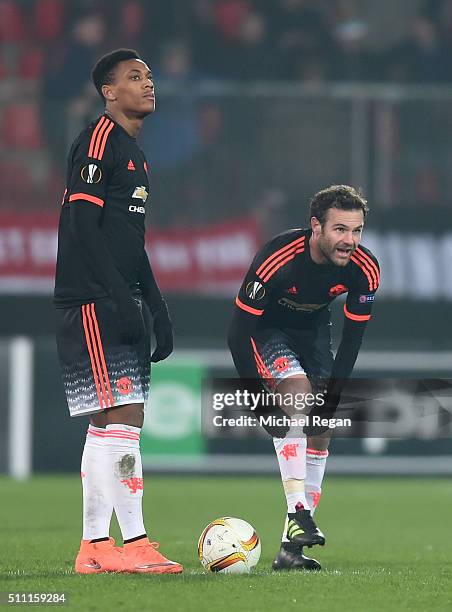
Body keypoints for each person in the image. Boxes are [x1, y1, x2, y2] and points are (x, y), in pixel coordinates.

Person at [54, 48, 183, 575]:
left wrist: (156, 305)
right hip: (92, 299)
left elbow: (132, 241)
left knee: (108, 423)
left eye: (150, 75)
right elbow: (82, 227)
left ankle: (94, 547)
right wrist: (115, 297)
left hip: (115, 297)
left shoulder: (135, 152)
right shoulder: (99, 140)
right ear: (109, 91)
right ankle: (134, 543)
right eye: (135, 77)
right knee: (124, 418)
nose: (148, 83)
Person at [228, 185, 380, 571]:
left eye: (357, 230)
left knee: (321, 426)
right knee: (298, 396)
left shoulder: (365, 269)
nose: (350, 241)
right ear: (316, 227)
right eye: (341, 230)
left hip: (314, 332)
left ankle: (289, 553)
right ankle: (299, 513)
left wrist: (332, 399)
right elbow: (236, 333)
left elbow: (352, 341)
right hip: (267, 331)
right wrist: (257, 401)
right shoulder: (277, 258)